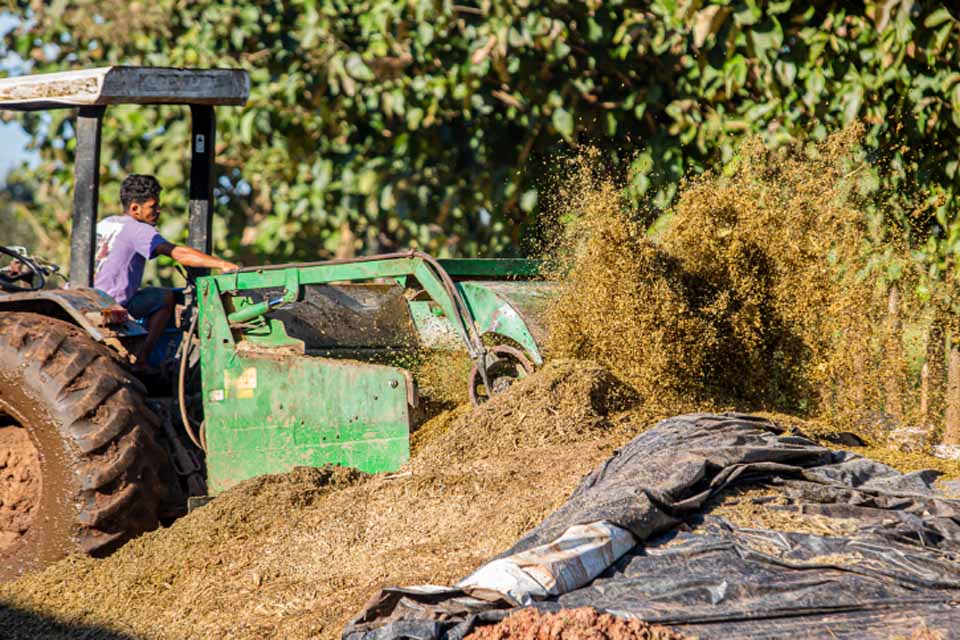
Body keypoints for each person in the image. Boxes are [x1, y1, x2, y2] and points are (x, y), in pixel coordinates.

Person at [94, 174, 238, 367]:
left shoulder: (105, 224)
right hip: (111, 305)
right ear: (135, 208)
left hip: (86, 298)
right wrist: (223, 264)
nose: (158, 210)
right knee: (165, 298)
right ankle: (141, 358)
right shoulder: (138, 229)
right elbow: (177, 253)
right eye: (153, 206)